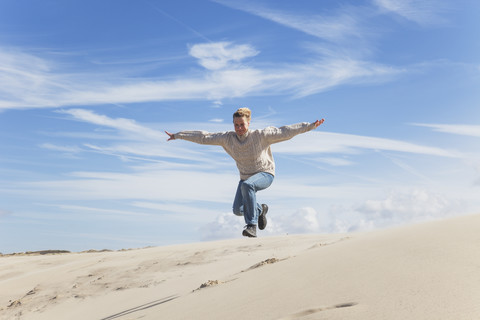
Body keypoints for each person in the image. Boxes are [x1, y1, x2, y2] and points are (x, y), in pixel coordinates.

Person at [165, 108, 325, 238]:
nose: (239, 128)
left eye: (242, 124)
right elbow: (204, 136)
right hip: (245, 178)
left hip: (265, 174)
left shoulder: (260, 136)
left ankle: (251, 226)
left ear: (248, 123)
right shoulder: (227, 138)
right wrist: (178, 135)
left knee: (248, 185)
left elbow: (285, 131)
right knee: (237, 210)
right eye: (236, 125)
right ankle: (260, 210)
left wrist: (309, 126)